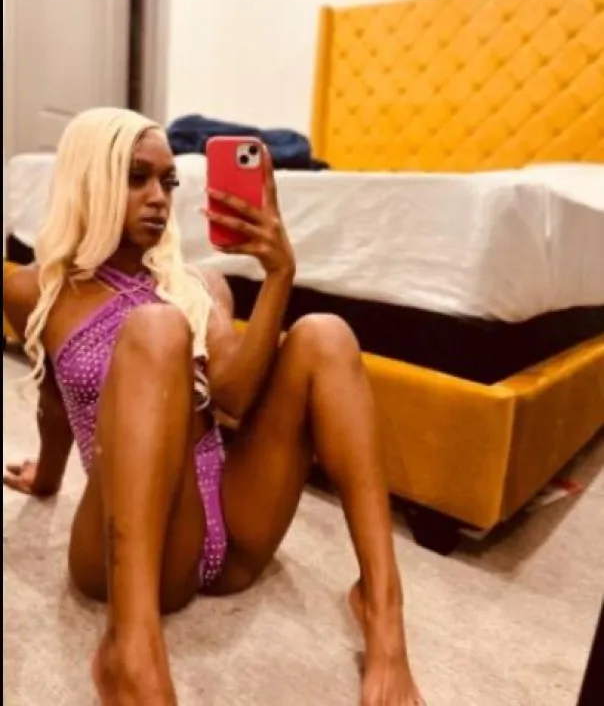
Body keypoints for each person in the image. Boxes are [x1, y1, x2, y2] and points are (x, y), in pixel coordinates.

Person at [3, 107, 424, 706]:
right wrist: (48, 477)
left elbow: (235, 398)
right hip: (126, 551)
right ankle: (130, 647)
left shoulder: (197, 285)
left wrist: (279, 276)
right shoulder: (34, 290)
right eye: (137, 177)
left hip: (230, 532)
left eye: (168, 182)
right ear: (90, 177)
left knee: (326, 334)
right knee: (156, 328)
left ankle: (383, 612)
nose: (159, 198)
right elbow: (53, 394)